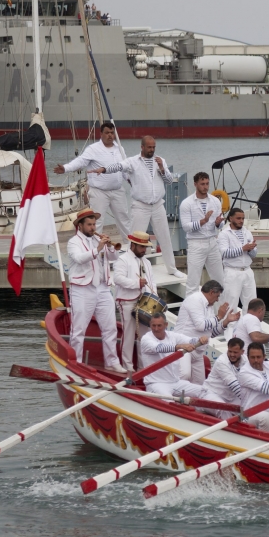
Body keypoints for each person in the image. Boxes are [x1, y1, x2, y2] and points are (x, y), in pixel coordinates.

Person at [91, 135, 183, 279]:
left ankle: (172, 269)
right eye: (149, 147)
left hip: (158, 205)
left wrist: (162, 168)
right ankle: (129, 269)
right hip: (140, 206)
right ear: (142, 147)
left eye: (153, 147)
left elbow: (169, 181)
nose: (152, 150)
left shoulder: (161, 161)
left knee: (165, 238)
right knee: (134, 240)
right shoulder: (133, 162)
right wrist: (104, 169)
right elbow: (119, 166)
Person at [66, 208, 124, 372]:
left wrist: (110, 247)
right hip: (82, 289)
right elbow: (79, 258)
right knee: (79, 329)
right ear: (80, 226)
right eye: (89, 225)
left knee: (110, 327)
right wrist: (97, 249)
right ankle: (75, 363)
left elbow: (114, 258)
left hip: (103, 288)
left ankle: (112, 362)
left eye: (94, 224)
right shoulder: (73, 242)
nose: (93, 227)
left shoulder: (98, 240)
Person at [55, 122, 129, 238]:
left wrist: (130, 179)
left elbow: (124, 167)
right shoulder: (93, 149)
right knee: (96, 222)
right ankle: (95, 246)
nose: (110, 135)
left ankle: (129, 245)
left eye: (112, 132)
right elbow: (80, 161)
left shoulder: (120, 148)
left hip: (117, 190)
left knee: (124, 219)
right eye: (107, 133)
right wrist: (65, 168)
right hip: (99, 192)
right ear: (101, 134)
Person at [174, 280, 240, 384]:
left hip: (198, 351)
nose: (217, 300)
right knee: (184, 375)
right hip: (184, 347)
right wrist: (219, 317)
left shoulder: (209, 307)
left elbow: (211, 333)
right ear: (211, 292)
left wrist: (226, 321)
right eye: (217, 296)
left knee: (200, 384)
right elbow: (200, 326)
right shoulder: (195, 300)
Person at [137, 315, 212, 402]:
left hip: (176, 382)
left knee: (205, 391)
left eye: (159, 325)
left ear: (166, 325)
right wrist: (179, 346)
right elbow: (159, 348)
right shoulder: (146, 339)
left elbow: (190, 340)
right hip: (156, 384)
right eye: (153, 325)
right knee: (169, 402)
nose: (156, 329)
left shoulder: (172, 335)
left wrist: (200, 340)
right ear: (150, 325)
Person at [111, 230, 153, 372]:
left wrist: (154, 298)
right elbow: (117, 279)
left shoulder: (146, 262)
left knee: (145, 336)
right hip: (127, 301)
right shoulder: (123, 259)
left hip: (144, 302)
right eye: (142, 247)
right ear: (133, 245)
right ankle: (128, 367)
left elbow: (152, 282)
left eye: (145, 247)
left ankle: (143, 367)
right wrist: (136, 283)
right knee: (128, 334)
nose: (144, 250)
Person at [179, 171, 225, 290]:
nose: (205, 187)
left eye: (207, 183)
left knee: (220, 280)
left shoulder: (215, 201)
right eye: (202, 184)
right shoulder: (187, 203)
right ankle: (191, 303)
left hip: (212, 242)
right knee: (193, 282)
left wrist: (218, 223)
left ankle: (220, 302)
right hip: (196, 243)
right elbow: (186, 227)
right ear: (195, 184)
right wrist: (203, 221)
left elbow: (221, 223)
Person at [218, 207, 257, 311]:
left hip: (247, 271)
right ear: (231, 218)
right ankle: (229, 322)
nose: (241, 221)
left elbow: (254, 254)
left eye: (243, 218)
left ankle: (249, 321)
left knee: (252, 303)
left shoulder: (247, 232)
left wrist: (251, 249)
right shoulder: (224, 234)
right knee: (230, 303)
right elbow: (224, 253)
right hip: (232, 272)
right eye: (238, 218)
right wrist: (243, 249)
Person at [204, 337, 245, 410]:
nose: (232, 355)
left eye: (235, 352)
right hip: (213, 393)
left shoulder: (245, 360)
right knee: (224, 410)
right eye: (230, 351)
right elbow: (234, 385)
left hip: (231, 397)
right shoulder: (222, 361)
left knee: (248, 409)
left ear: (242, 352)